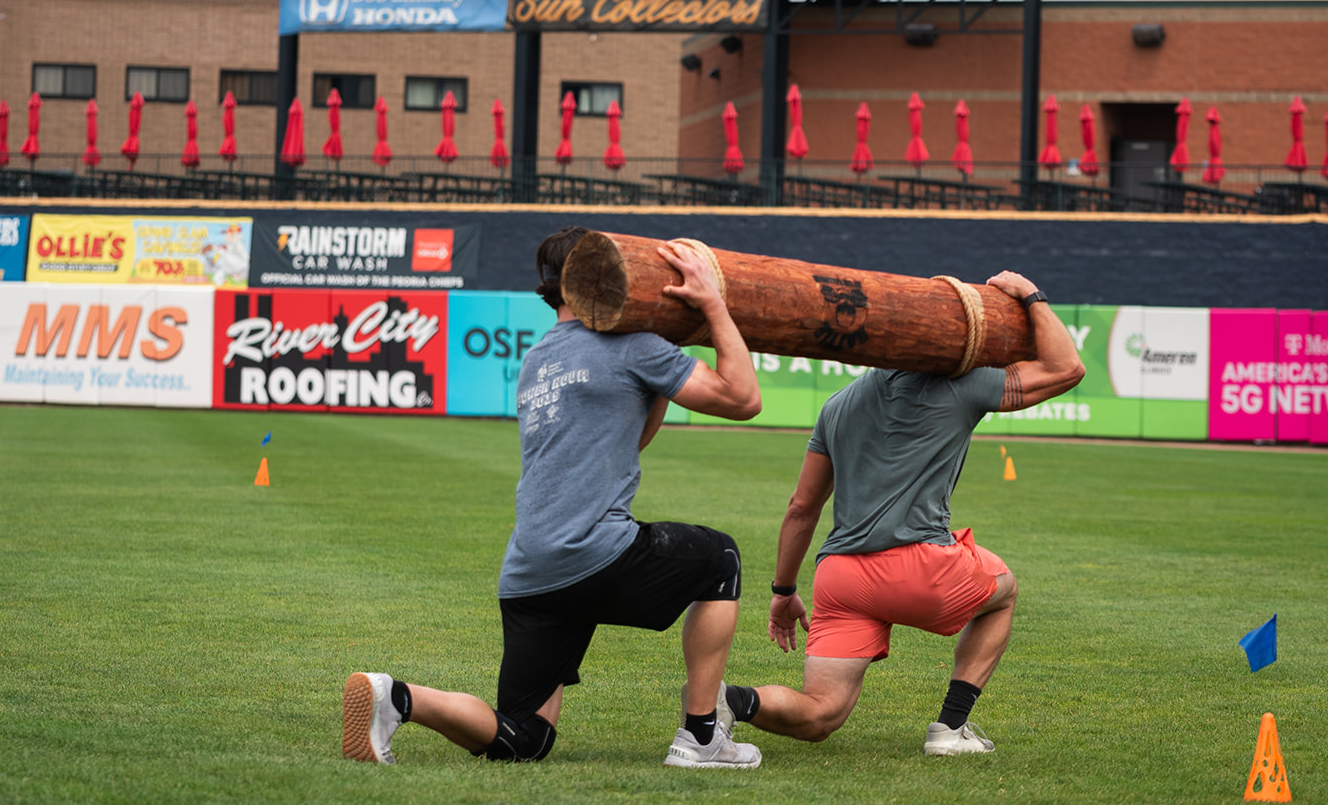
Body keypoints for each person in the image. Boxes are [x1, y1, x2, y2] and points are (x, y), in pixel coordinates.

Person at [343, 227, 766, 769]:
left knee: (525, 739)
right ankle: (702, 735)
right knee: (719, 558)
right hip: (595, 556)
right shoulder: (632, 345)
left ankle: (396, 697)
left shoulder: (537, 358)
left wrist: (663, 371)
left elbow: (621, 442)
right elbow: (743, 398)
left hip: (530, 573)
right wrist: (711, 303)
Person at [736, 270, 1085, 756]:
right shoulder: (964, 385)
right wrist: (1032, 295)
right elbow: (1067, 368)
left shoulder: (836, 405)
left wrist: (783, 592)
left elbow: (802, 508)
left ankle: (725, 703)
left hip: (840, 578)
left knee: (820, 713)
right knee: (1003, 591)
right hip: (919, 569)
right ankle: (949, 729)